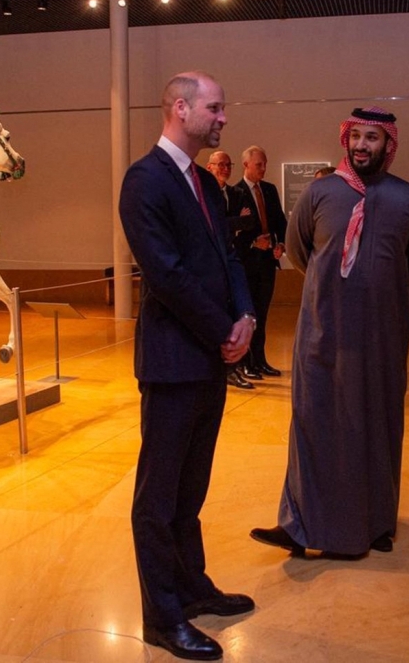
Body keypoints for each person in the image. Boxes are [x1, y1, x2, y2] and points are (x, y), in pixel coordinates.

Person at [250, 107, 409, 557]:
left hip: (382, 336)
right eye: (357, 137)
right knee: (315, 421)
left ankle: (376, 525)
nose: (363, 146)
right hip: (323, 332)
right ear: (345, 140)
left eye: (373, 138)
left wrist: (375, 291)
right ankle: (299, 524)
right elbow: (298, 251)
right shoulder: (320, 193)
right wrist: (333, 289)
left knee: (378, 422)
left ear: (388, 144)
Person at [119, 70, 256, 661]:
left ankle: (192, 587)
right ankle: (162, 615)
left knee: (191, 489)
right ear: (180, 107)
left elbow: (227, 258)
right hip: (175, 361)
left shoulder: (204, 180)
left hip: (209, 358)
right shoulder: (143, 181)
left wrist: (247, 315)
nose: (223, 118)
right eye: (215, 108)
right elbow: (167, 274)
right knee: (158, 496)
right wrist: (223, 328)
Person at [233, 145, 287, 379]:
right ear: (246, 165)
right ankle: (245, 362)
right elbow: (233, 231)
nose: (263, 168)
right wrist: (254, 242)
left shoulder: (270, 190)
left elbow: (280, 222)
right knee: (248, 314)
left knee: (262, 314)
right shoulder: (236, 193)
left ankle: (260, 360)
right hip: (247, 263)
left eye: (264, 164)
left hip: (266, 263)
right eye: (259, 165)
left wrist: (280, 244)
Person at [207, 150, 257, 390]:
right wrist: (235, 222)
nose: (225, 169)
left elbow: (250, 221)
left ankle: (236, 367)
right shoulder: (205, 194)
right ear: (209, 167)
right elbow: (215, 226)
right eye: (220, 165)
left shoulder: (235, 193)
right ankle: (226, 369)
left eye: (228, 164)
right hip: (214, 266)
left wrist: (230, 224)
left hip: (235, 260)